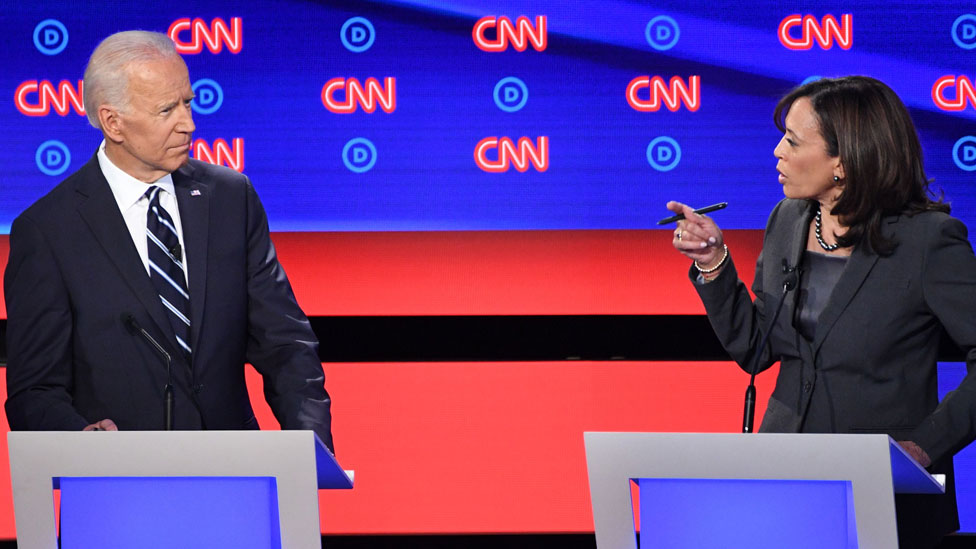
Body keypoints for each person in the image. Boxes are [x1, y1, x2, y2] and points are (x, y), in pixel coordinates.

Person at [668, 75, 976, 548]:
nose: (777, 151)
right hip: (787, 482)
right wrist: (714, 265)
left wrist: (925, 445)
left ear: (844, 161)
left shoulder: (929, 241)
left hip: (885, 493)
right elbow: (755, 349)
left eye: (792, 140)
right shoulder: (787, 219)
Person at [4, 31, 333, 452]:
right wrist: (80, 442)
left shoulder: (232, 199)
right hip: (117, 490)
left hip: (234, 477)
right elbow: (35, 390)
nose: (189, 123)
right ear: (113, 122)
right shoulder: (49, 229)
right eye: (166, 110)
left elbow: (285, 343)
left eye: (188, 102)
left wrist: (311, 449)